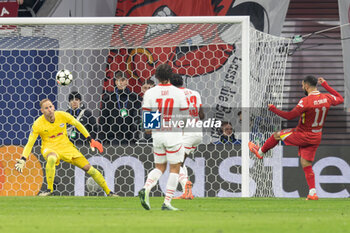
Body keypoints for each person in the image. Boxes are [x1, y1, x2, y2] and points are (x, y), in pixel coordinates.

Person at [248, 76, 344, 200]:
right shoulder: (327, 97)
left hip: (303, 134)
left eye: (302, 85)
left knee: (277, 135)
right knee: (306, 163)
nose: (302, 87)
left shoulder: (305, 101)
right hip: (316, 136)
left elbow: (289, 116)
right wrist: (326, 85)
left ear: (307, 86)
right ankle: (313, 192)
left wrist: (273, 109)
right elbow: (340, 99)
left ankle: (259, 152)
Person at [14, 99, 118, 197]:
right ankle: (50, 189)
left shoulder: (62, 115)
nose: (49, 109)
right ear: (42, 111)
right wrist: (23, 158)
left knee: (90, 170)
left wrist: (90, 139)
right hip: (49, 147)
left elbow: (78, 124)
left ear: (54, 107)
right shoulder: (37, 124)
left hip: (66, 147)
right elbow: (29, 144)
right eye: (46, 108)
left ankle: (109, 192)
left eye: (50, 106)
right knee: (51, 159)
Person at [138, 64, 189, 211]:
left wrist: (150, 129)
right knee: (175, 167)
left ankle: (146, 188)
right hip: (173, 133)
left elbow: (147, 115)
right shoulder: (178, 93)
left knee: (159, 167)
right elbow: (185, 115)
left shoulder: (150, 93)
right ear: (170, 76)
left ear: (157, 77)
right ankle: (167, 202)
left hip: (158, 134)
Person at [170, 73, 204, 200]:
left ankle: (186, 186)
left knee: (175, 162)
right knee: (180, 163)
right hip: (198, 133)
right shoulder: (195, 93)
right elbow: (202, 115)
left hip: (186, 133)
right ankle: (187, 192)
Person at [99, 71, 142, 144]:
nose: (120, 83)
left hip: (130, 138)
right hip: (112, 139)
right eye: (118, 80)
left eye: (122, 80)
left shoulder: (134, 98)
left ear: (127, 81)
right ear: (115, 82)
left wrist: (136, 137)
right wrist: (102, 139)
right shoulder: (108, 98)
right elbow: (103, 120)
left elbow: (138, 119)